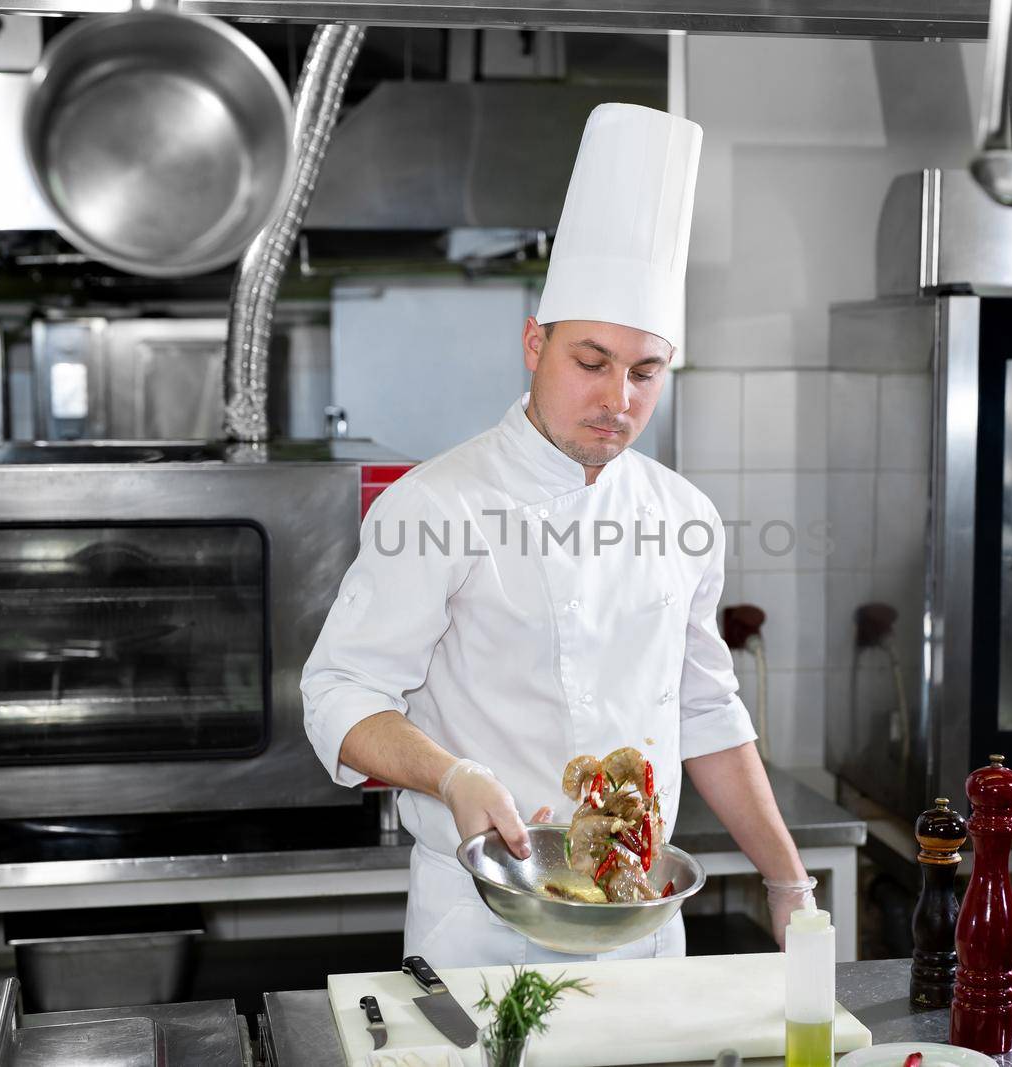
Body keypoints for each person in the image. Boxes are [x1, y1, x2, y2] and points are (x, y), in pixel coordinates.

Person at [303, 102, 816, 967]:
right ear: (534, 342)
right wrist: (453, 775)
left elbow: (707, 714)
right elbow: (340, 696)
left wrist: (787, 881)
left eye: (645, 372)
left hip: (644, 925)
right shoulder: (438, 505)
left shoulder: (683, 516)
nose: (618, 398)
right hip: (483, 926)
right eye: (591, 362)